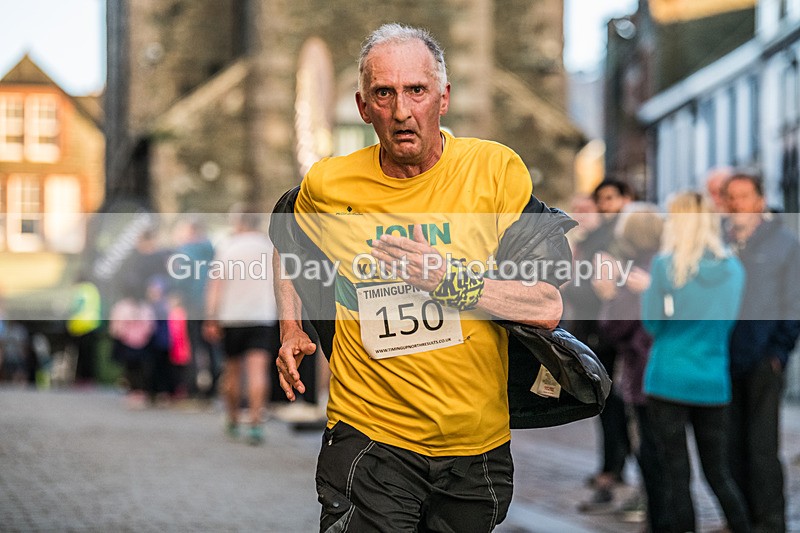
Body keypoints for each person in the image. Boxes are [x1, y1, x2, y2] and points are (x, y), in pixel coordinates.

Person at [273, 24, 567, 531]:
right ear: (364, 107)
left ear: (444, 98)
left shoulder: (494, 171)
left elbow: (546, 305)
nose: (402, 111)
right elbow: (285, 236)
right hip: (368, 433)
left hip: (473, 443)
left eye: (417, 91)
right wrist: (291, 326)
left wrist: (448, 279)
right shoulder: (329, 182)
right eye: (384, 93)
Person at [642, 191, 750, 533]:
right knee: (718, 471)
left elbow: (653, 324)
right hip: (713, 380)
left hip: (668, 377)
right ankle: (742, 526)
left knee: (676, 474)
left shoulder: (665, 266)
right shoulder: (734, 268)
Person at [722, 172, 800, 533]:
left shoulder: (784, 243)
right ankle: (742, 520)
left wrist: (779, 351)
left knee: (762, 448)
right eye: (731, 197)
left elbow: (793, 302)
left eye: (743, 196)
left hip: (764, 358)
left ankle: (771, 523)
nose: (736, 203)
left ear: (759, 200)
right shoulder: (719, 242)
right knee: (730, 446)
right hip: (722, 358)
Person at [594, 203, 668, 531]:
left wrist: (609, 294)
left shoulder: (640, 269)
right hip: (657, 369)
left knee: (652, 451)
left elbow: (618, 326)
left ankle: (658, 515)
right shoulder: (662, 264)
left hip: (643, 373)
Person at [564, 179, 634, 510]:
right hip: (595, 331)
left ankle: (616, 473)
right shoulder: (594, 237)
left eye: (611, 198)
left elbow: (597, 285)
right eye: (600, 199)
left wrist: (570, 286)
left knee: (618, 408)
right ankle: (611, 470)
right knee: (606, 407)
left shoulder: (621, 236)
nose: (605, 205)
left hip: (615, 333)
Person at [204, 205, 278, 446]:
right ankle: (256, 423)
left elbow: (216, 286)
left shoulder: (227, 247)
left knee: (232, 371)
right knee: (258, 371)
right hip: (262, 317)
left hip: (231, 317)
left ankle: (233, 418)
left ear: (237, 223)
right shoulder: (269, 248)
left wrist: (211, 318)